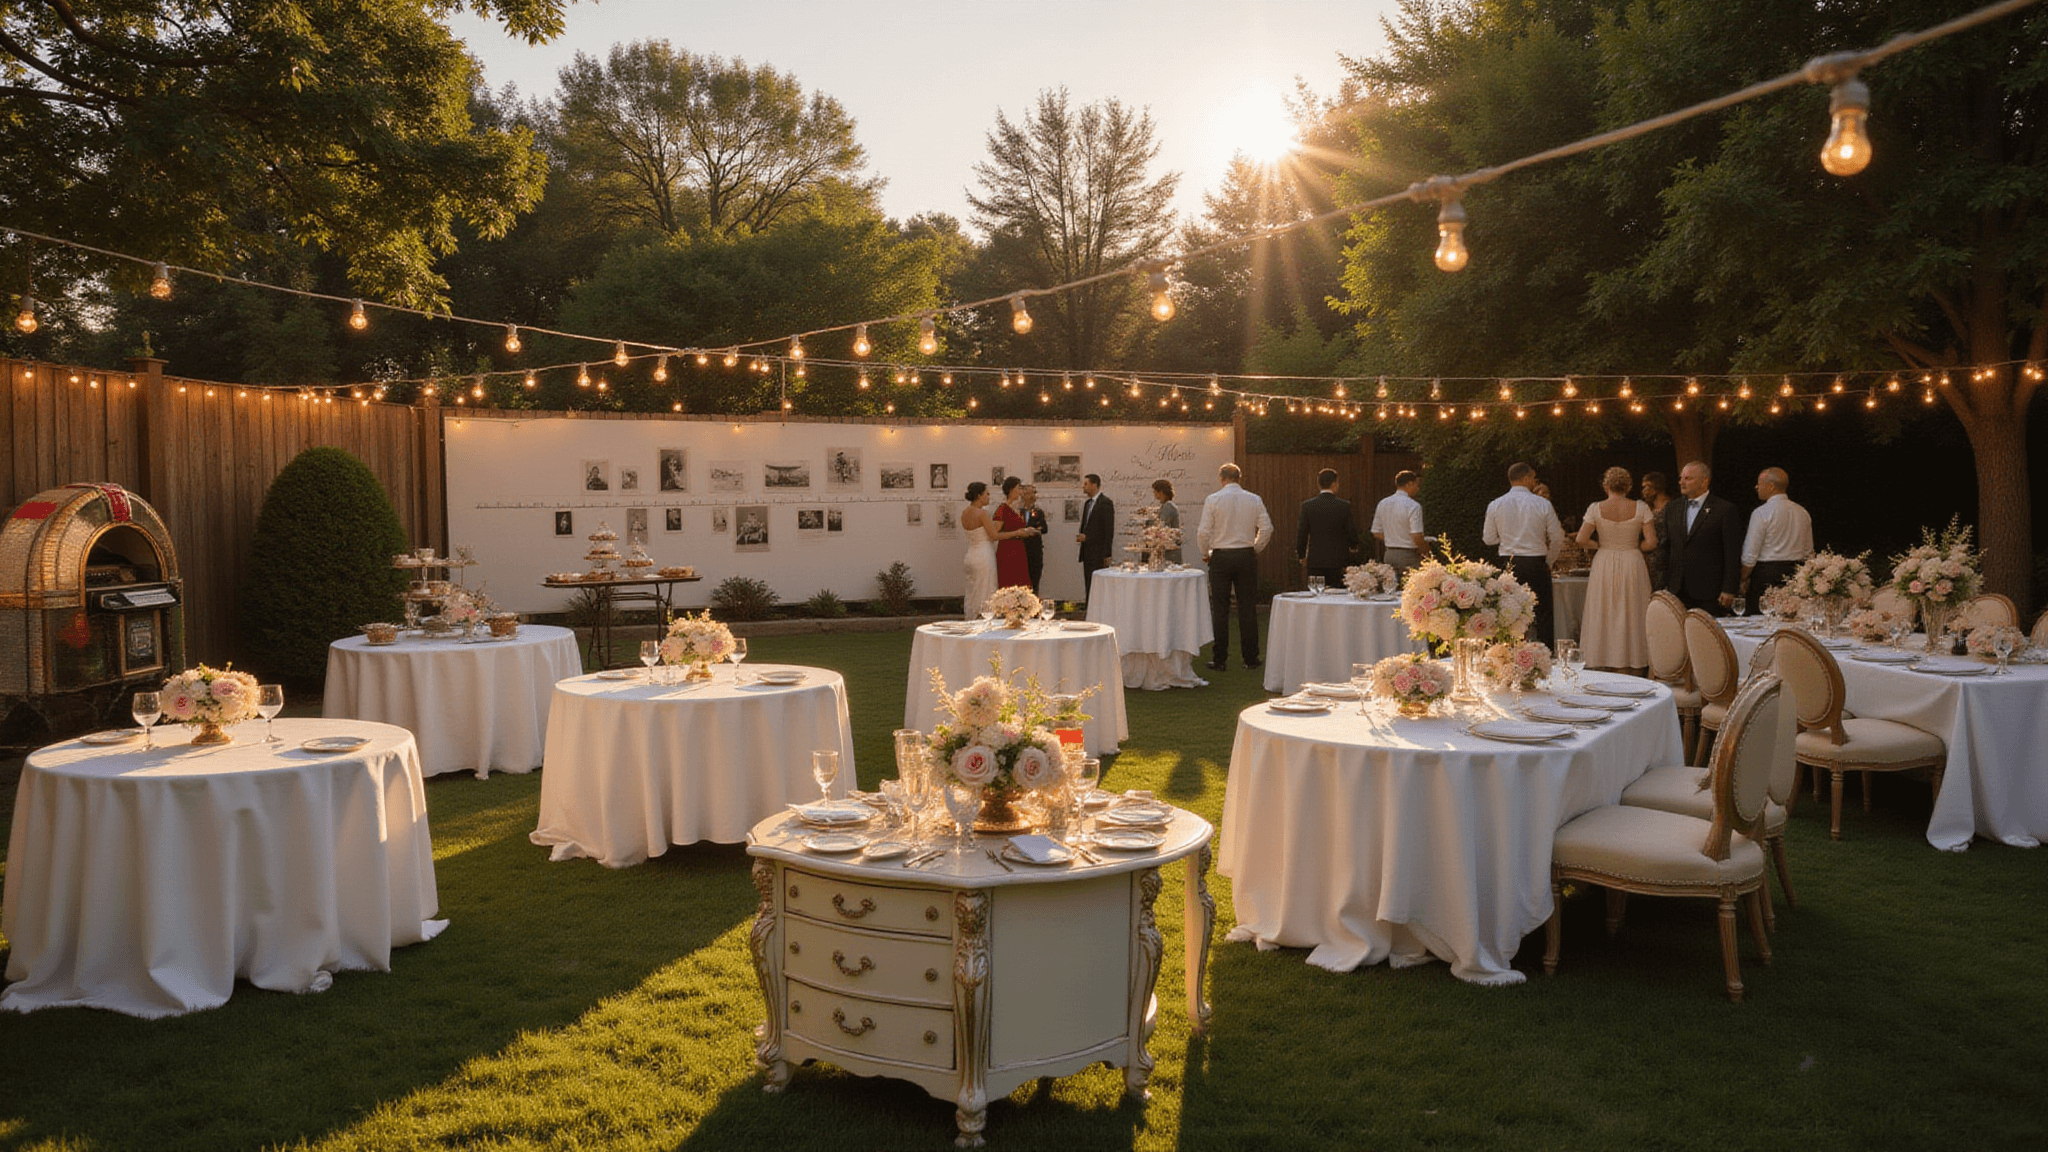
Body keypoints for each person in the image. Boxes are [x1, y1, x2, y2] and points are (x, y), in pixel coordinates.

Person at [1575, 466, 1658, 672]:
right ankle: (1633, 664)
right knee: (1633, 611)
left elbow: (1581, 539)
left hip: (1604, 561)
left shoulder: (1595, 508)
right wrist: (1635, 547)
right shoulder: (1641, 508)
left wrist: (1600, 546)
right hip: (1632, 561)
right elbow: (1652, 542)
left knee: (1603, 611)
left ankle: (1603, 662)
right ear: (1628, 486)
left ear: (1606, 486)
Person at [1197, 462, 1274, 670]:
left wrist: (1206, 554)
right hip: (1245, 555)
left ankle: (1220, 659)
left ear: (1221, 478)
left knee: (1220, 608)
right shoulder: (1254, 499)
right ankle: (1251, 658)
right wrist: (1254, 549)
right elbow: (1267, 528)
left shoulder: (1213, 499)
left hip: (1221, 556)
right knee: (1247, 607)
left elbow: (1204, 532)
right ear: (1239, 478)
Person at [1482, 462, 1565, 647]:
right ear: (1526, 477)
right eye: (1534, 477)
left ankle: (1509, 653)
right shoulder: (1543, 504)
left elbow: (1488, 538)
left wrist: (1506, 539)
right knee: (1542, 613)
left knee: (1509, 612)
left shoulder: (1496, 504)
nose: (1535, 481)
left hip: (1509, 563)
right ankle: (1546, 655)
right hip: (1536, 562)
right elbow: (1558, 537)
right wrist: (1549, 560)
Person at [1657, 460, 1744, 615]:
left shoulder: (1724, 509)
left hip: (1710, 591)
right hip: (1676, 590)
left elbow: (1732, 553)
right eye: (1681, 478)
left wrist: (1729, 588)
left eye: (1688, 478)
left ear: (1705, 481)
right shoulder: (1672, 508)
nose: (1681, 482)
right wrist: (1663, 584)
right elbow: (1666, 548)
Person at [1741, 466, 1813, 612]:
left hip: (1766, 575)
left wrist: (1742, 578)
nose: (1756, 487)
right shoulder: (1802, 512)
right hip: (1795, 576)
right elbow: (1809, 553)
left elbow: (1750, 554)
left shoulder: (1761, 513)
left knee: (1762, 621)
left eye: (1759, 484)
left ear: (1771, 486)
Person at [1295, 468, 1357, 590]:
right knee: (1338, 597)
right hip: (1338, 561)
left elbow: (1302, 533)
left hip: (1315, 560)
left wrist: (1302, 555)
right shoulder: (1344, 506)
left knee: (1316, 595)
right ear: (1334, 484)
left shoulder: (1308, 506)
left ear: (1319, 484)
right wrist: (1354, 547)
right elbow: (1352, 532)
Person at [1370, 470, 1426, 579]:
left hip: (1389, 554)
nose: (1418, 488)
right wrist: (1427, 554)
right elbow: (1417, 536)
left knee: (1390, 587)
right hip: (1408, 555)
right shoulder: (1413, 506)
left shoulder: (1383, 503)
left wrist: (1394, 538)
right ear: (1409, 484)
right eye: (1416, 485)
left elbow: (1375, 532)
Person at [960, 482, 999, 619]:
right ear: (979, 495)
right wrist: (1018, 532)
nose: (989, 497)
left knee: (973, 591)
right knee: (986, 591)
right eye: (987, 494)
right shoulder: (982, 513)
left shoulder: (965, 513)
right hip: (984, 555)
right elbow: (994, 536)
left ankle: (971, 618)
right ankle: (984, 621)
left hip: (971, 554)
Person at [992, 476, 1036, 589]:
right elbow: (995, 534)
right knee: (1009, 582)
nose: (1021, 492)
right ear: (1011, 490)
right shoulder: (1002, 509)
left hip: (1019, 549)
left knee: (1021, 583)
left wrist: (1026, 532)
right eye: (1019, 488)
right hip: (1007, 550)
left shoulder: (1017, 509)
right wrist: (1016, 533)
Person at [1076, 473, 1115, 598]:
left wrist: (1107, 554)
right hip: (1087, 552)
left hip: (1099, 553)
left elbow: (1108, 530)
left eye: (1086, 484)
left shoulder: (1105, 503)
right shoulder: (1088, 504)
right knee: (1088, 584)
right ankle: (1089, 610)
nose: (1084, 487)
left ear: (1094, 485)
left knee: (1098, 586)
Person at [1639, 471, 1673, 588]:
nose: (1644, 491)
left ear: (1655, 488)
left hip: (1663, 558)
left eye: (1646, 487)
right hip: (1648, 558)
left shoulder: (1670, 507)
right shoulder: (1648, 507)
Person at [1019, 484, 1051, 593]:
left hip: (1034, 552)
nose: (1033, 495)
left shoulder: (1038, 512)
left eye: (1034, 492)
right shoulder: (1017, 512)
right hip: (1020, 549)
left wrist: (1034, 530)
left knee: (1034, 582)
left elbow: (1044, 528)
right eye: (1030, 493)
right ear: (1023, 494)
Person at [1152, 479, 1182, 563]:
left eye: (1155, 491)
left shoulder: (1168, 506)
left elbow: (1161, 526)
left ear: (1161, 492)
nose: (1154, 494)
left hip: (1169, 552)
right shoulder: (1166, 505)